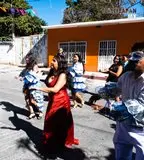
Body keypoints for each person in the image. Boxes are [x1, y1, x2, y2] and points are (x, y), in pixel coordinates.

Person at [30, 54, 79, 153]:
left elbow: (55, 89)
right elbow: (45, 79)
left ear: (60, 63)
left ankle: (60, 140)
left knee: (57, 121)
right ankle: (52, 139)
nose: (52, 62)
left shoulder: (63, 75)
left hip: (61, 100)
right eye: (52, 60)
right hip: (53, 100)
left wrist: (39, 88)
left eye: (54, 61)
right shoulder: (52, 71)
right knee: (51, 120)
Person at [113, 51, 144, 160]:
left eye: (139, 57)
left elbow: (140, 108)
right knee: (121, 154)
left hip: (141, 129)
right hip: (123, 126)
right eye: (133, 56)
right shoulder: (126, 76)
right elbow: (117, 90)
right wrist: (111, 92)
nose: (135, 59)